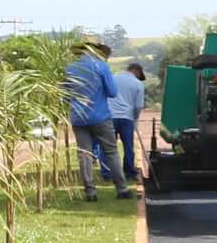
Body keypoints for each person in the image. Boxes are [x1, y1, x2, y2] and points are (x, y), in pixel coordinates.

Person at [64, 40, 127, 201]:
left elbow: (64, 95)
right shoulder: (101, 67)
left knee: (84, 154)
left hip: (78, 118)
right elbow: (112, 92)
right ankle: (121, 189)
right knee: (111, 152)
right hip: (100, 116)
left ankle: (90, 192)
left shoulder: (70, 69)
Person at [109, 55, 153, 188]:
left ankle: (108, 173)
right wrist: (135, 118)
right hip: (127, 118)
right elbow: (138, 106)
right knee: (128, 146)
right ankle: (128, 171)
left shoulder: (113, 78)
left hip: (110, 116)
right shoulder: (138, 84)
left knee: (109, 147)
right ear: (137, 72)